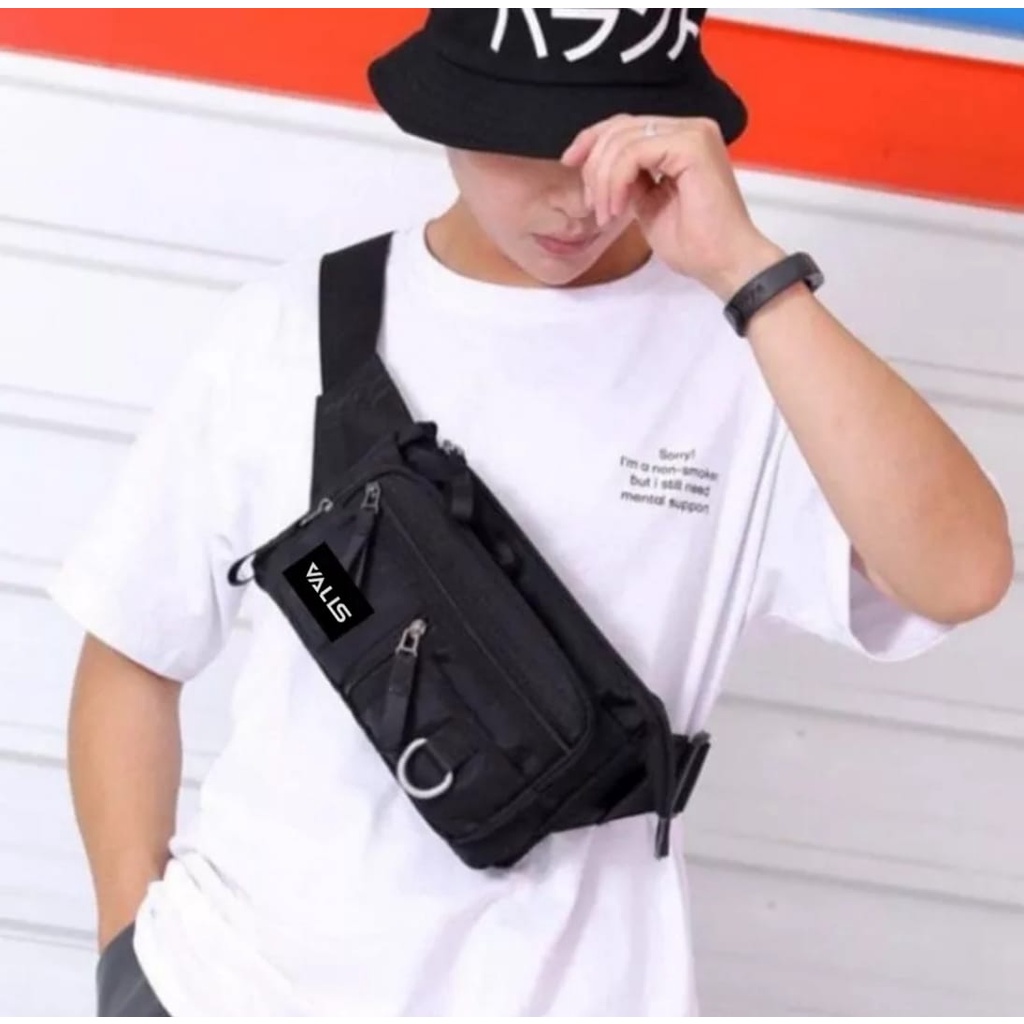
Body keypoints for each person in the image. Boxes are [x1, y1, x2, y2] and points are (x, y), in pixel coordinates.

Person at [50, 9, 1013, 1018]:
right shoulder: (289, 330)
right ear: (447, 110)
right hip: (236, 988)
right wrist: (131, 960)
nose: (573, 198)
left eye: (608, 147)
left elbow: (961, 574)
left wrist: (745, 270)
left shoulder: (748, 358)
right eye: (523, 141)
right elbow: (132, 650)